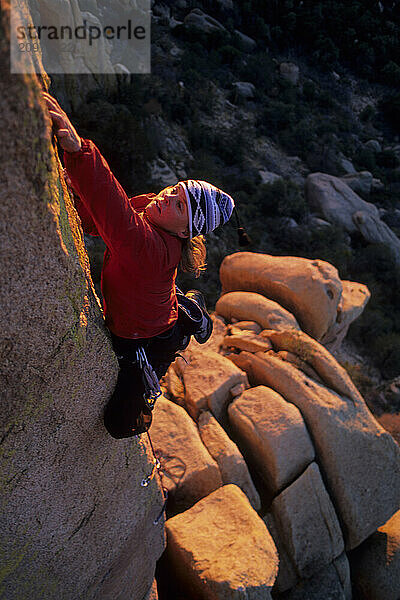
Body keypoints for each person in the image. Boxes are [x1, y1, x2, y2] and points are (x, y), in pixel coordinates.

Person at [44, 92, 236, 439]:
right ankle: (188, 308)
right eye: (174, 190)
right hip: (149, 301)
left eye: (178, 205)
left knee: (119, 425)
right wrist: (72, 185)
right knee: (166, 299)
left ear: (184, 230)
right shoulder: (153, 209)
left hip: (144, 336)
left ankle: (188, 316)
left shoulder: (151, 248)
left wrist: (78, 151)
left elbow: (116, 216)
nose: (166, 197)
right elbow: (100, 220)